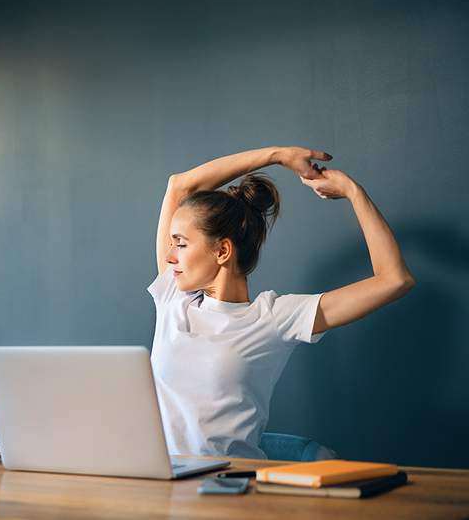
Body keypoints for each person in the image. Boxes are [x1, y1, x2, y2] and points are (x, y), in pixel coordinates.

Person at [148, 146, 415, 458]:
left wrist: (354, 192)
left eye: (180, 244)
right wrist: (278, 155)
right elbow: (179, 185)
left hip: (231, 488)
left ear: (222, 251)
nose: (169, 256)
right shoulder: (173, 298)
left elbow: (395, 280)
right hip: (163, 484)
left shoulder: (273, 317)